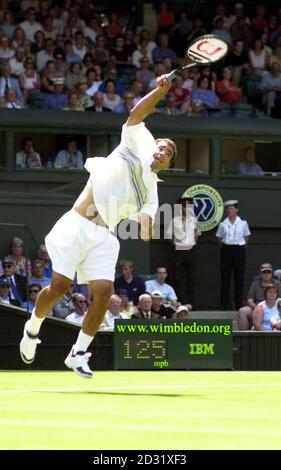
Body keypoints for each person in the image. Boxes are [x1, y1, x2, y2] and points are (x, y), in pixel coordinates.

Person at [19, 74, 177, 377]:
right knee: (60, 287)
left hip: (105, 236)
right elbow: (135, 114)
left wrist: (146, 225)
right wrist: (160, 92)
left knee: (104, 293)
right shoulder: (137, 143)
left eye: (168, 153)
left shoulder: (152, 193)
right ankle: (32, 329)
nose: (161, 151)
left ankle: (78, 353)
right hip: (78, 223)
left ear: (168, 165)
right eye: (160, 146)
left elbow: (144, 232)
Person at [216, 200, 251, 310]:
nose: (229, 210)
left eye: (232, 208)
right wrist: (227, 247)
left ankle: (238, 303)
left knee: (239, 277)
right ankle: (224, 304)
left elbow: (246, 236)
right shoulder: (223, 224)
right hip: (226, 249)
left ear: (236, 210)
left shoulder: (243, 223)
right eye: (228, 209)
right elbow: (219, 238)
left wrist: (241, 246)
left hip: (239, 249)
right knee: (225, 277)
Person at [167, 197, 201, 307]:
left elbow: (197, 234)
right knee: (178, 277)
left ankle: (191, 303)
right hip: (179, 251)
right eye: (184, 207)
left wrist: (192, 242)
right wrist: (176, 245)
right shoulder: (174, 220)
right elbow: (168, 235)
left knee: (191, 277)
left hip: (191, 250)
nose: (186, 209)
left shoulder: (194, 220)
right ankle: (179, 302)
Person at [238, 262, 281, 330]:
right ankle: (243, 336)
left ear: (271, 273)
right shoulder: (255, 284)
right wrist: (256, 308)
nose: (266, 274)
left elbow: (279, 298)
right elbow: (250, 300)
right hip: (257, 307)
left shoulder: (277, 284)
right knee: (242, 311)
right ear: (260, 274)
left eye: (268, 272)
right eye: (264, 272)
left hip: (273, 307)